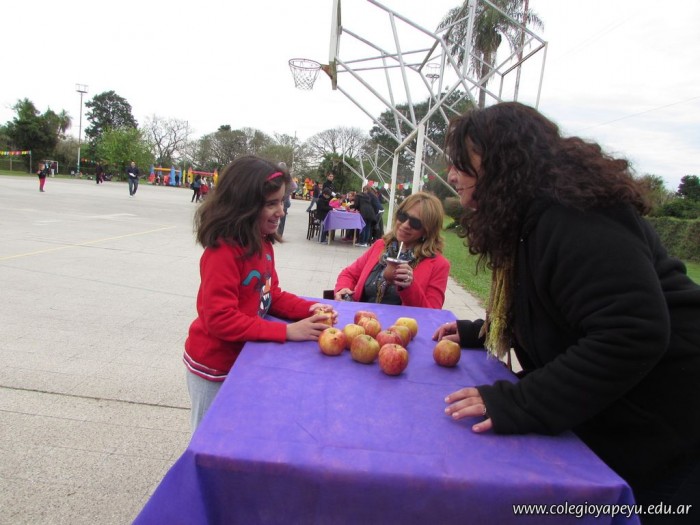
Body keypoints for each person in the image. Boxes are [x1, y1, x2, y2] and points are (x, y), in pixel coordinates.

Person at [433, 102, 700, 521]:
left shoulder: (575, 216)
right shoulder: (533, 219)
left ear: (505, 160)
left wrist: (519, 402)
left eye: (462, 162)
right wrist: (483, 331)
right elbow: (559, 308)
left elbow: (631, 331)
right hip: (633, 415)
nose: (452, 174)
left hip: (672, 428)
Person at [183, 155, 338, 431]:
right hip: (215, 368)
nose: (281, 211)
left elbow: (270, 294)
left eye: (282, 202)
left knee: (239, 431)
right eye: (271, 204)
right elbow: (220, 319)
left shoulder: (262, 243)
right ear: (243, 205)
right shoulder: (222, 252)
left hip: (245, 359)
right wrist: (287, 331)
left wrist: (308, 309)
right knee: (210, 436)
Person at [334, 192, 450, 308]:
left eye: (415, 223)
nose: (405, 225)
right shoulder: (380, 245)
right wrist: (343, 289)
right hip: (363, 317)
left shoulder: (438, 265)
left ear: (428, 230)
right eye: (403, 216)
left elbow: (432, 313)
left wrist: (409, 286)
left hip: (401, 320)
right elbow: (349, 274)